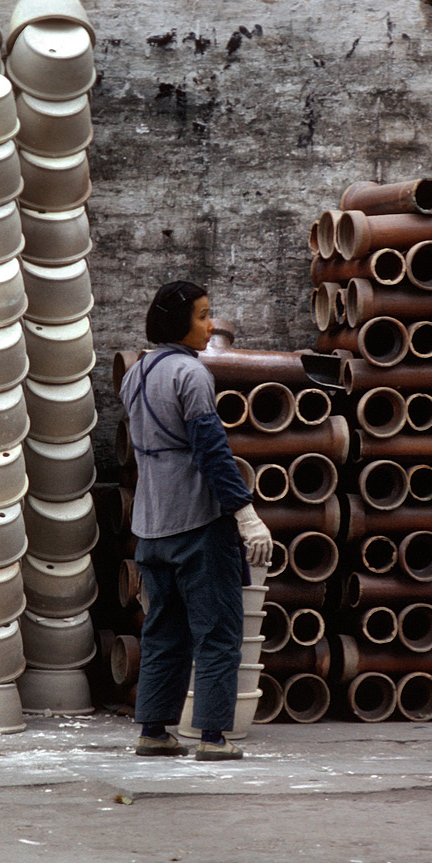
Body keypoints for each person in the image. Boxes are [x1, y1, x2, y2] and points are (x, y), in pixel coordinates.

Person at [118, 280, 273, 761]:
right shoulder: (192, 375)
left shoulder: (135, 374)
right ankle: (212, 736)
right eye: (203, 316)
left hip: (150, 529)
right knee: (219, 633)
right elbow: (212, 453)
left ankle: (153, 730)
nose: (210, 326)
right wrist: (245, 514)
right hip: (198, 526)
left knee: (162, 632)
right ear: (178, 322)